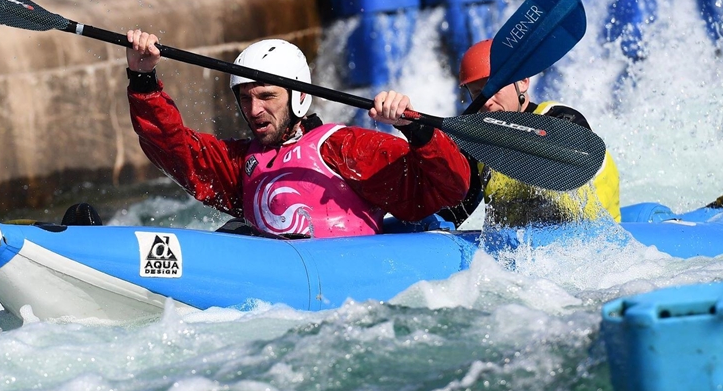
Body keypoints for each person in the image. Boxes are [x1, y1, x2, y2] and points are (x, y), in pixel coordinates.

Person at [124, 31, 470, 238]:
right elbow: (174, 150)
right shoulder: (241, 164)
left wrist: (417, 129)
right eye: (245, 99)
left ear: (300, 96)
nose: (254, 110)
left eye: (267, 96)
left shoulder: (346, 147)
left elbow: (448, 188)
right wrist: (142, 78)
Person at [441, 38, 620, 228]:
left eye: (494, 89)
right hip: (525, 244)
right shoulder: (478, 147)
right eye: (478, 94)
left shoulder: (560, 118)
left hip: (594, 237)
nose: (487, 101)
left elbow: (573, 161)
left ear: (523, 81)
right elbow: (451, 211)